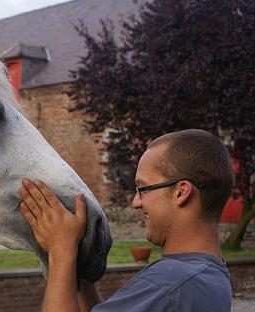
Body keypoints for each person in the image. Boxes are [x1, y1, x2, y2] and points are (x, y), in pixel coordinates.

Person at [19, 129, 235, 312]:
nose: (136, 202)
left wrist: (60, 250)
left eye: (143, 189)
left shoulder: (170, 283)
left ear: (181, 192)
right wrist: (79, 265)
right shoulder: (208, 274)